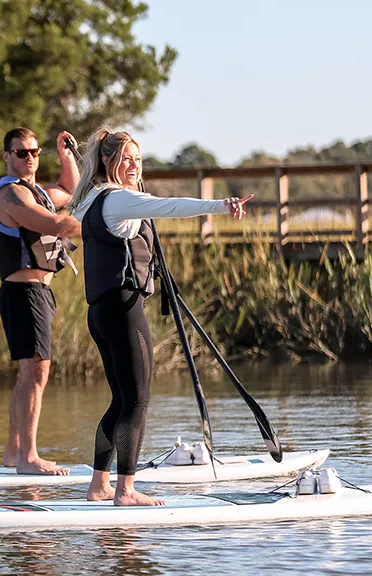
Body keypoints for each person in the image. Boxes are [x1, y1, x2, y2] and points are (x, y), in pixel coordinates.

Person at [68, 128, 252, 506]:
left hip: (100, 312)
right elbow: (170, 206)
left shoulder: (88, 200)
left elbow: (88, 190)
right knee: (137, 401)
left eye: (139, 159)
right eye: (127, 159)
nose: (135, 165)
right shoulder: (118, 198)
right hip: (122, 309)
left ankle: (99, 484)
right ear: (108, 161)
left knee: (121, 400)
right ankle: (126, 490)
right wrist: (221, 205)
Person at [0, 127, 81, 475]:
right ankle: (29, 457)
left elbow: (70, 190)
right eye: (20, 152)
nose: (28, 158)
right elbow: (57, 224)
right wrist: (99, 218)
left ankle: (14, 454)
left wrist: (66, 155)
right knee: (35, 373)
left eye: (34, 152)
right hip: (24, 293)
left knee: (29, 373)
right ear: (7, 156)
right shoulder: (11, 195)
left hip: (38, 292)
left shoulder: (36, 192)